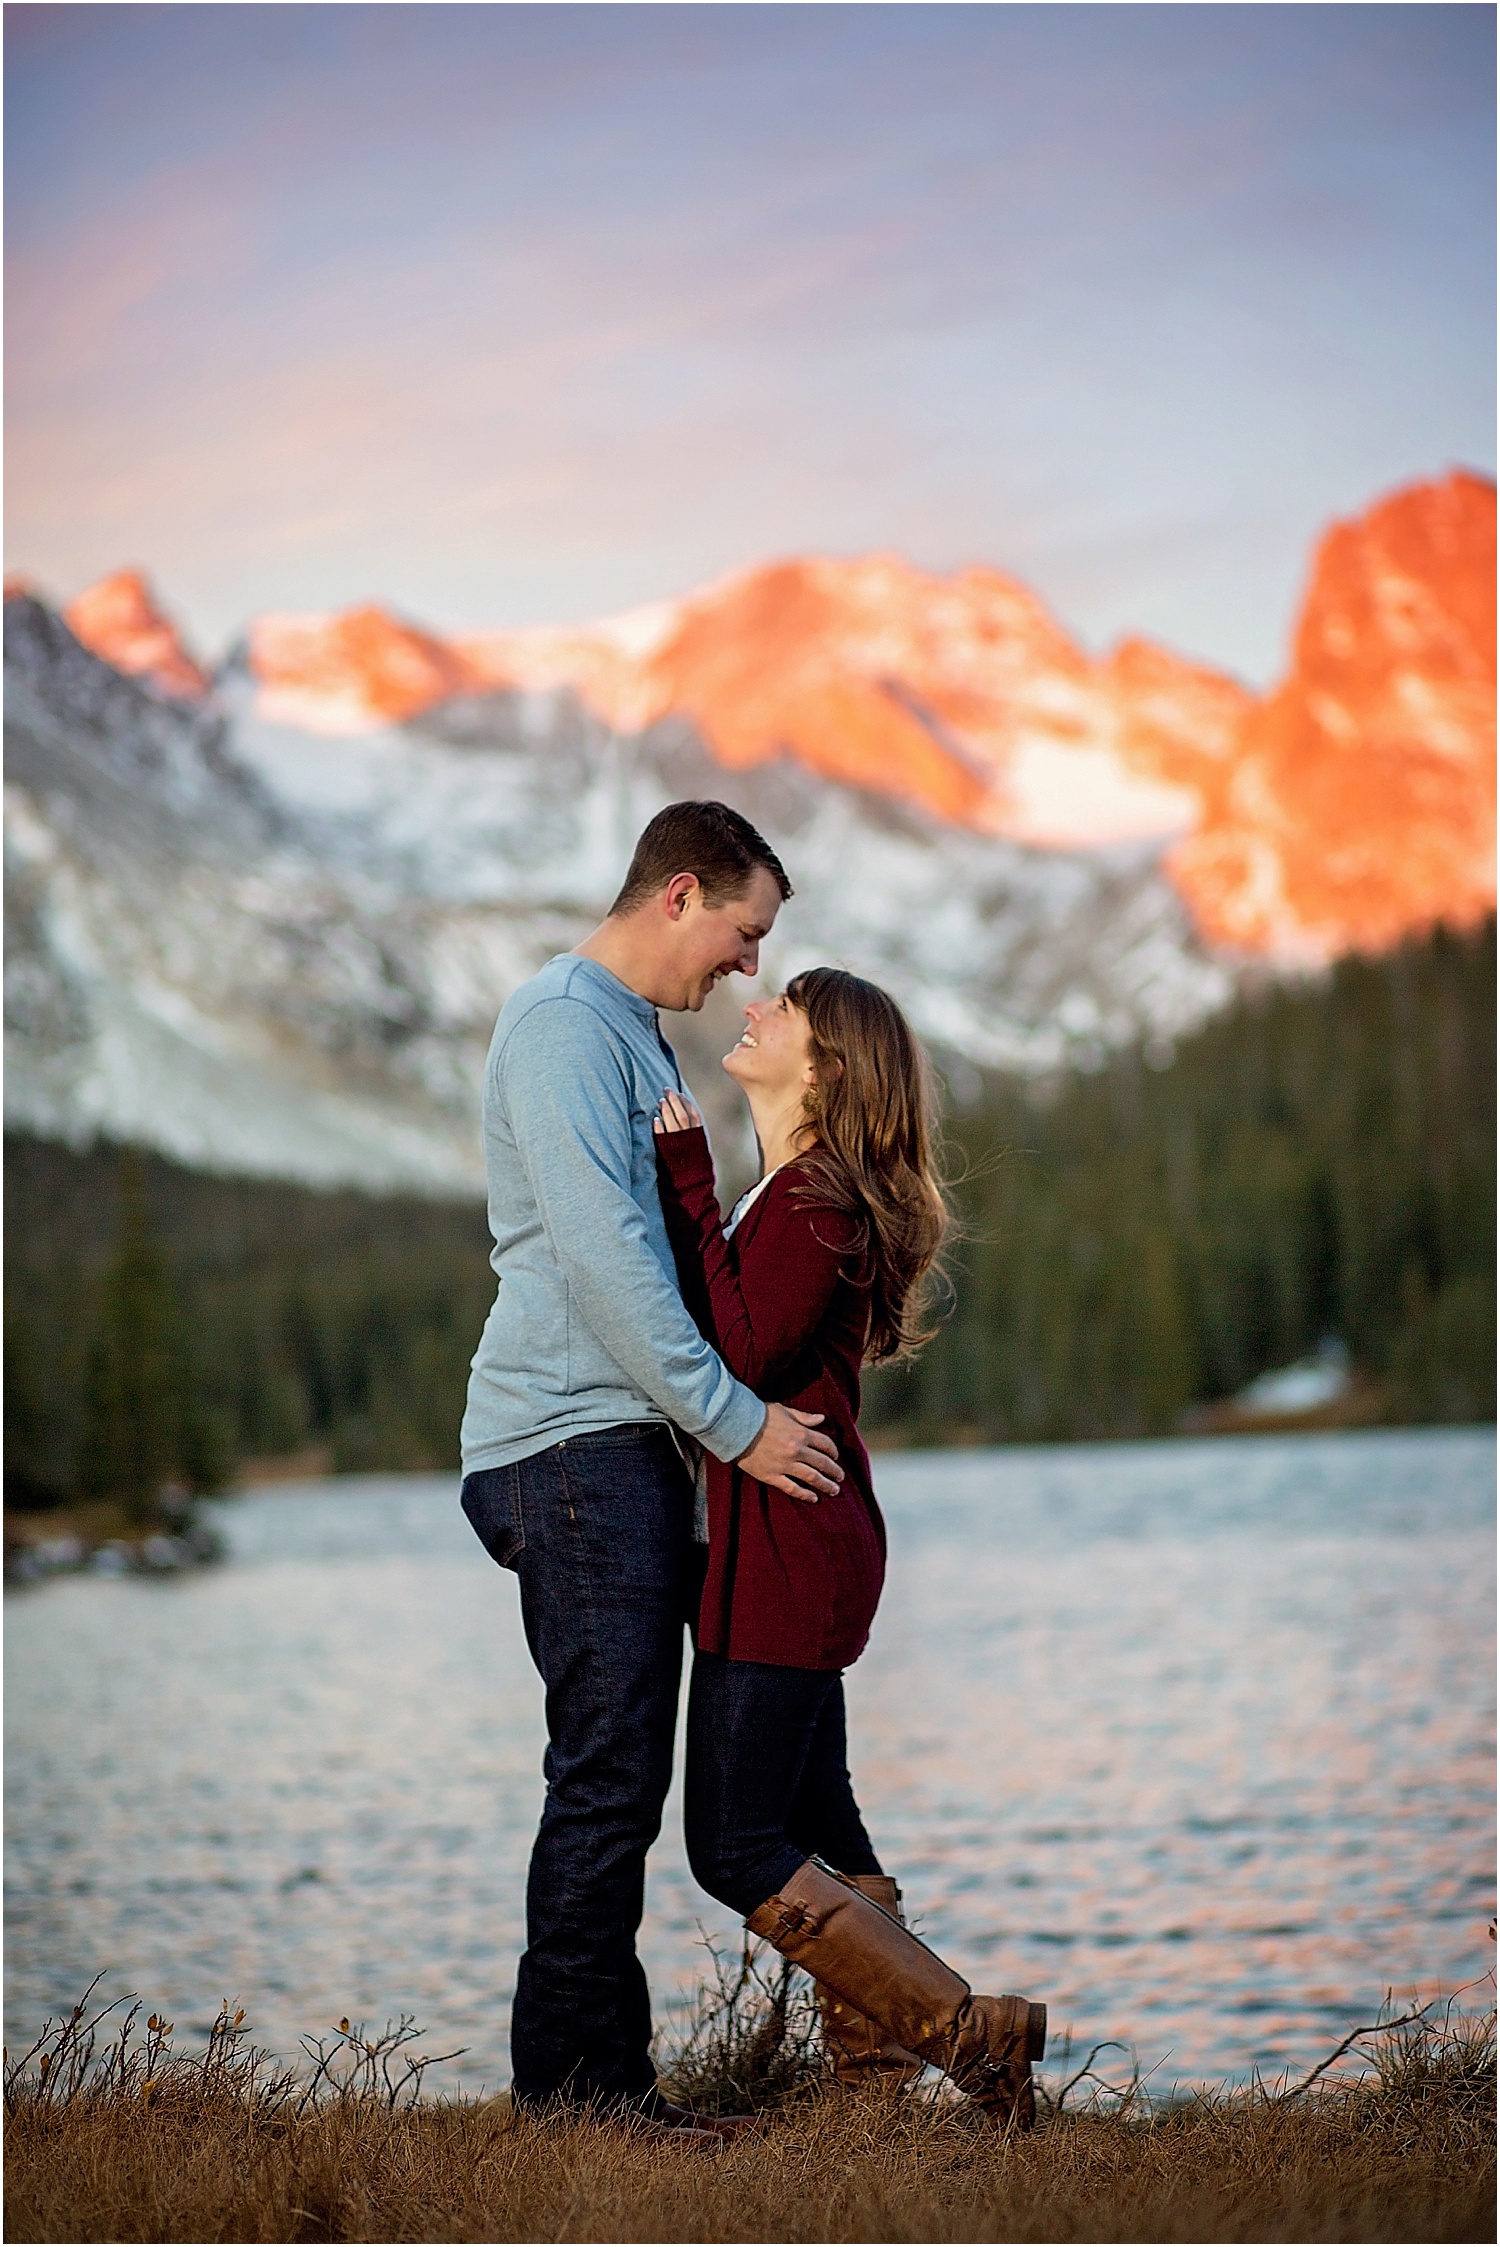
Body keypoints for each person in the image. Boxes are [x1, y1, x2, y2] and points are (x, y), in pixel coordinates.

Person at [458, 801, 845, 2140]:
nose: (749, 964)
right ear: (680, 894)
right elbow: (605, 1262)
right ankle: (582, 2101)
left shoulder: (632, 1035)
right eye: (745, 930)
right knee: (611, 1768)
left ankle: (863, 2037)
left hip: (621, 1444)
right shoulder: (568, 1024)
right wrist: (736, 1423)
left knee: (643, 1765)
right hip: (567, 1440)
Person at [653, 967, 1048, 2129]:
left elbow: (740, 1350)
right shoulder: (796, 1190)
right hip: (788, 1545)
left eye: (788, 1013)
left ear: (826, 1072)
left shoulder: (817, 1198)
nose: (757, 1012)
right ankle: (883, 2103)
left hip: (790, 1551)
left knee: (732, 1847)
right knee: (823, 1827)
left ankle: (974, 2035)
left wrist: (685, 1186)